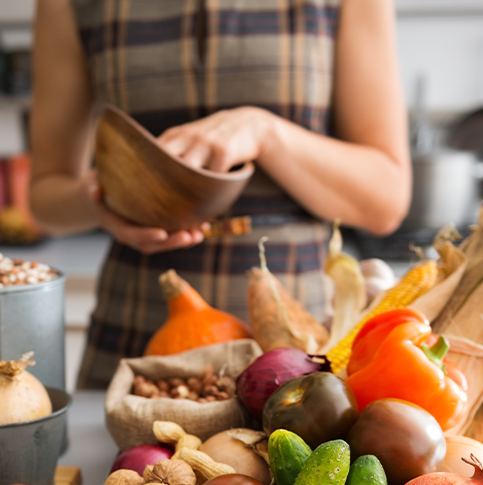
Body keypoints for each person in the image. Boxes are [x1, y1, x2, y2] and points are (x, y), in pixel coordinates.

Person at [29, 0, 411, 389]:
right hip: (137, 337)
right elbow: (47, 196)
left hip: (298, 346)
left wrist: (265, 132)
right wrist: (103, 199)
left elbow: (385, 200)